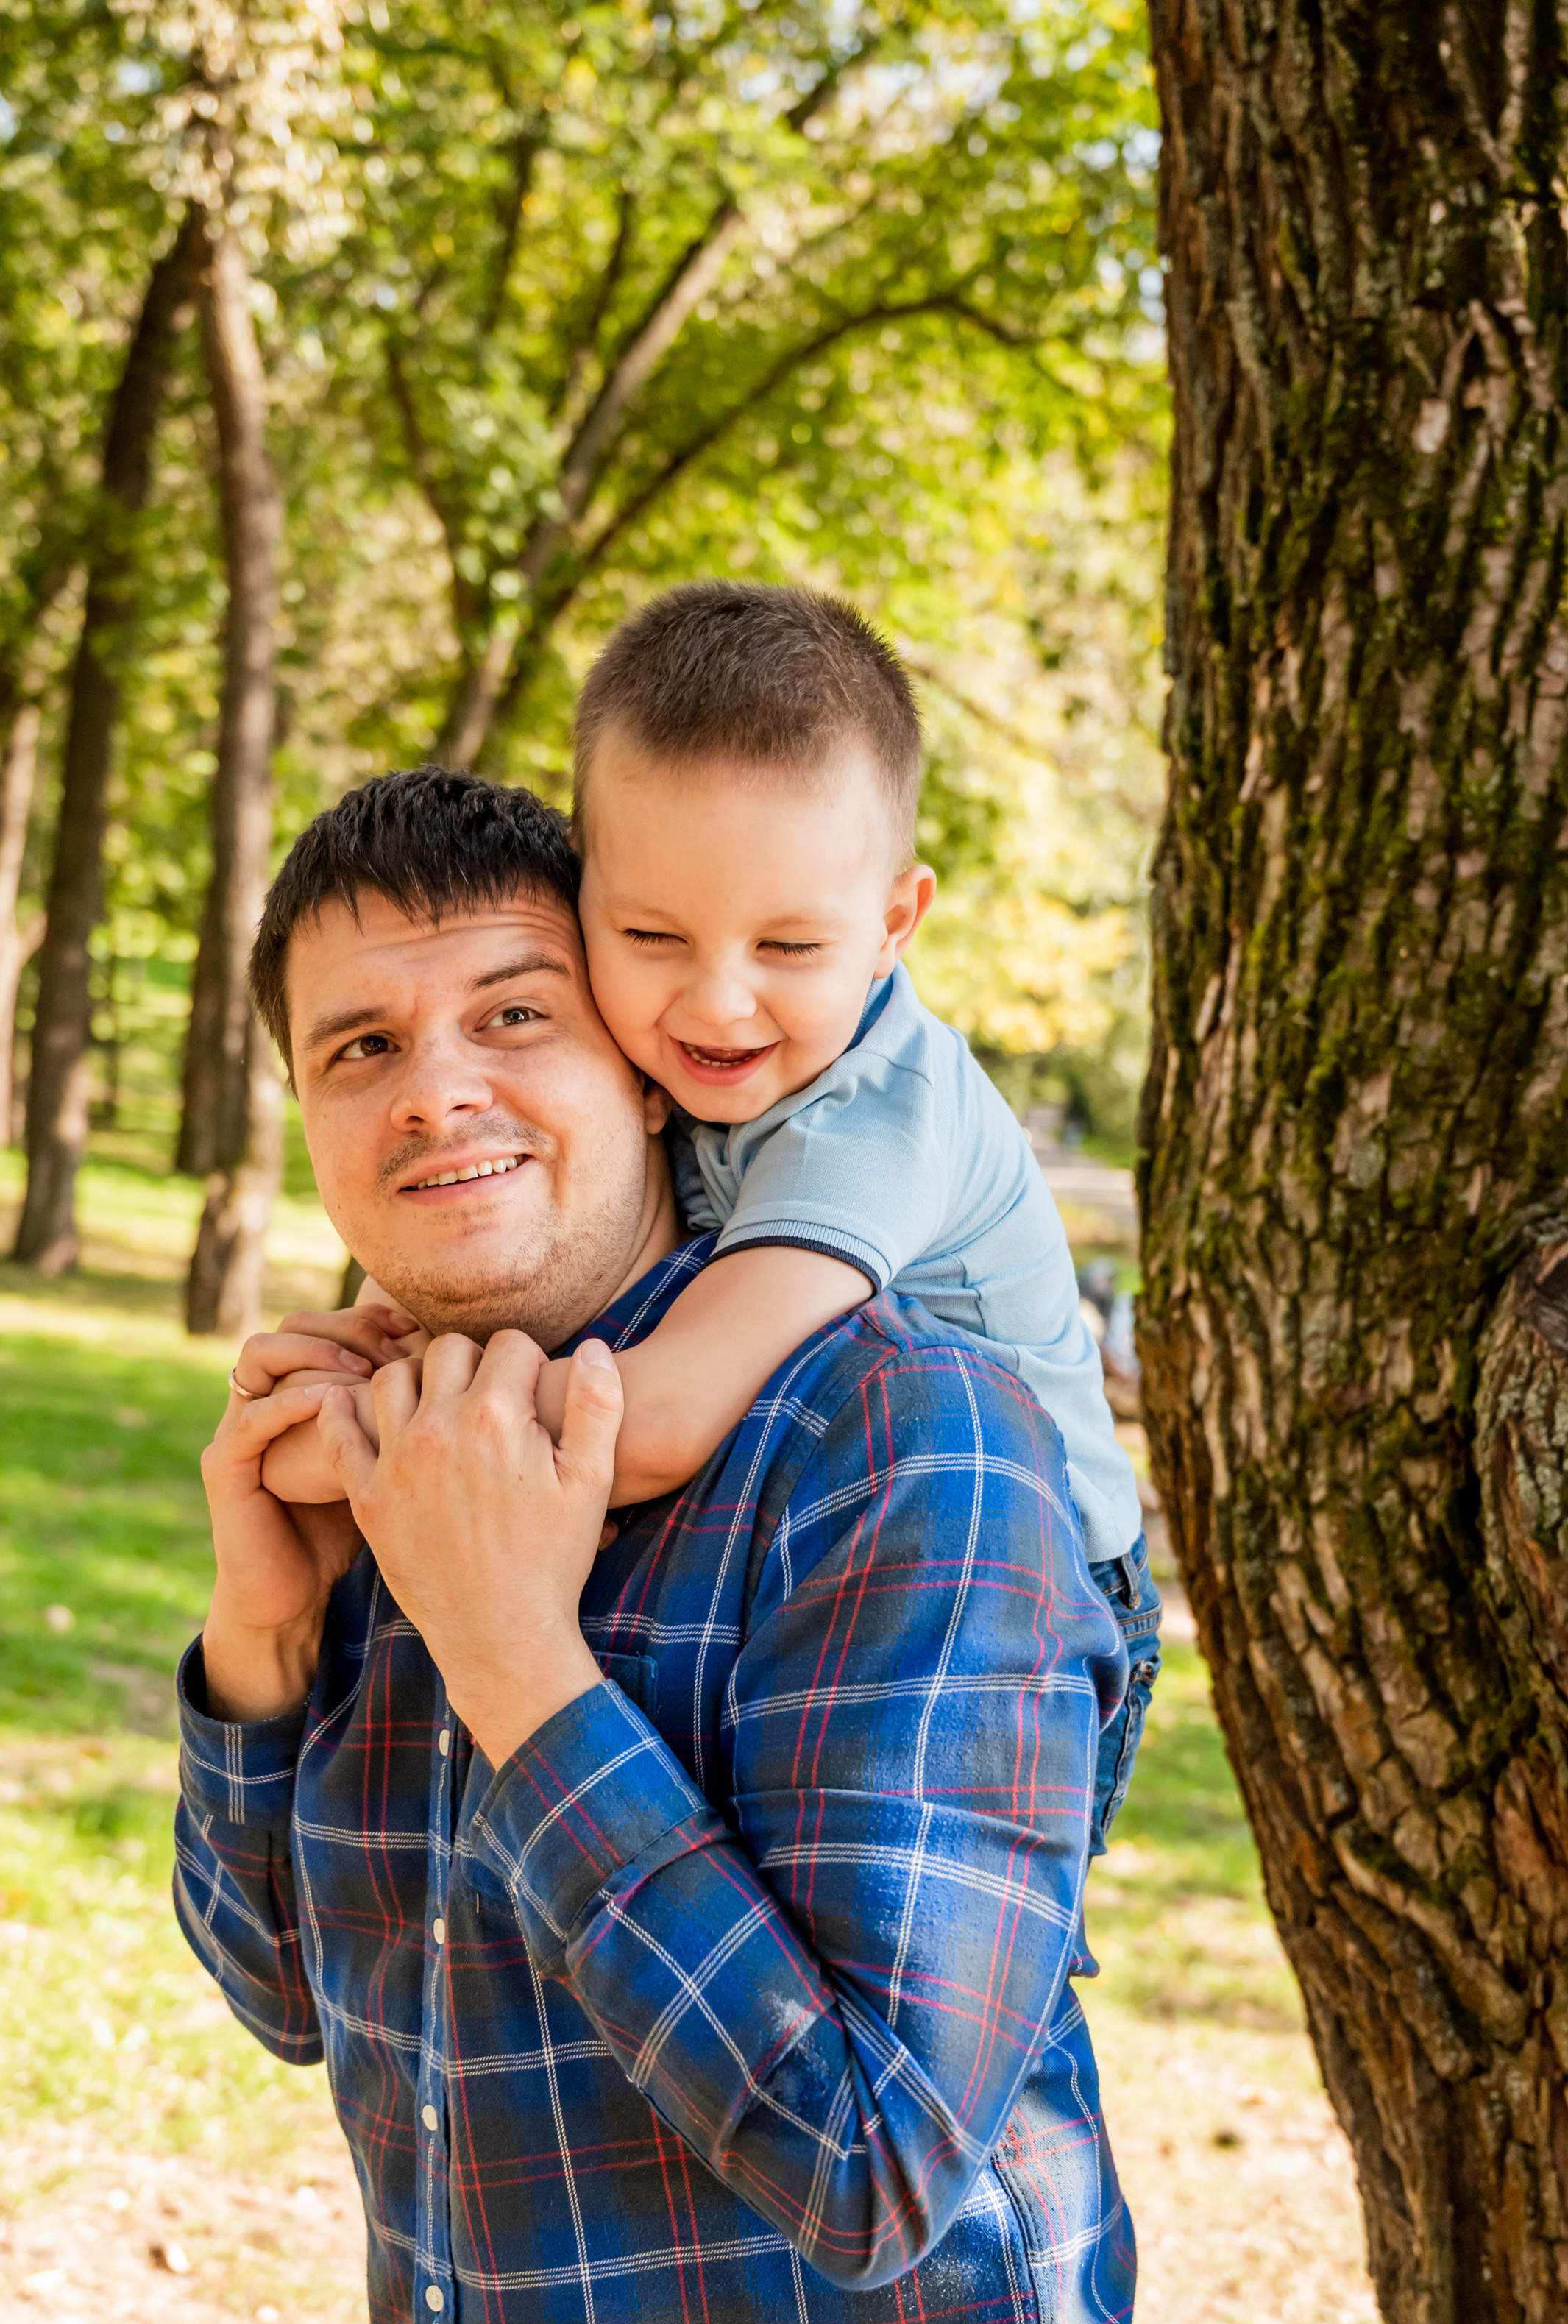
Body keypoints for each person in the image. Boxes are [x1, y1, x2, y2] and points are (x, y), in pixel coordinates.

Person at [180, 764, 1137, 2324]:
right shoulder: (409, 1433)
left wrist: (521, 1655)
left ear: (640, 1049)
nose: (439, 1090)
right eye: (363, 1046)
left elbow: (878, 2167)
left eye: (513, 1012)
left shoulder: (897, 1437)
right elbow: (297, 1995)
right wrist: (264, 1633)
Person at [264, 584, 1160, 1838]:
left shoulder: (876, 1118)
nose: (718, 1005)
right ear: (585, 910)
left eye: (788, 948)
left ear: (896, 923)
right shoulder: (696, 1059)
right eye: (649, 932)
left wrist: (335, 1448)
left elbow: (669, 1415)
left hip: (1034, 1587)